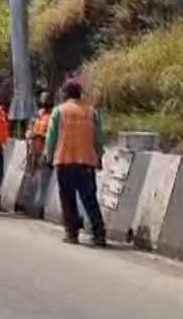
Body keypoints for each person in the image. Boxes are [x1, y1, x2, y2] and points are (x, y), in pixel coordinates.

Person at [44, 81, 107, 247]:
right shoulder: (92, 112)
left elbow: (51, 137)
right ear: (80, 94)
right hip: (86, 162)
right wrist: (99, 157)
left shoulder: (59, 111)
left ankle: (72, 233)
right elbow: (99, 139)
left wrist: (48, 156)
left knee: (68, 198)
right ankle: (99, 234)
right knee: (89, 198)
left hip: (64, 161)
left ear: (65, 94)